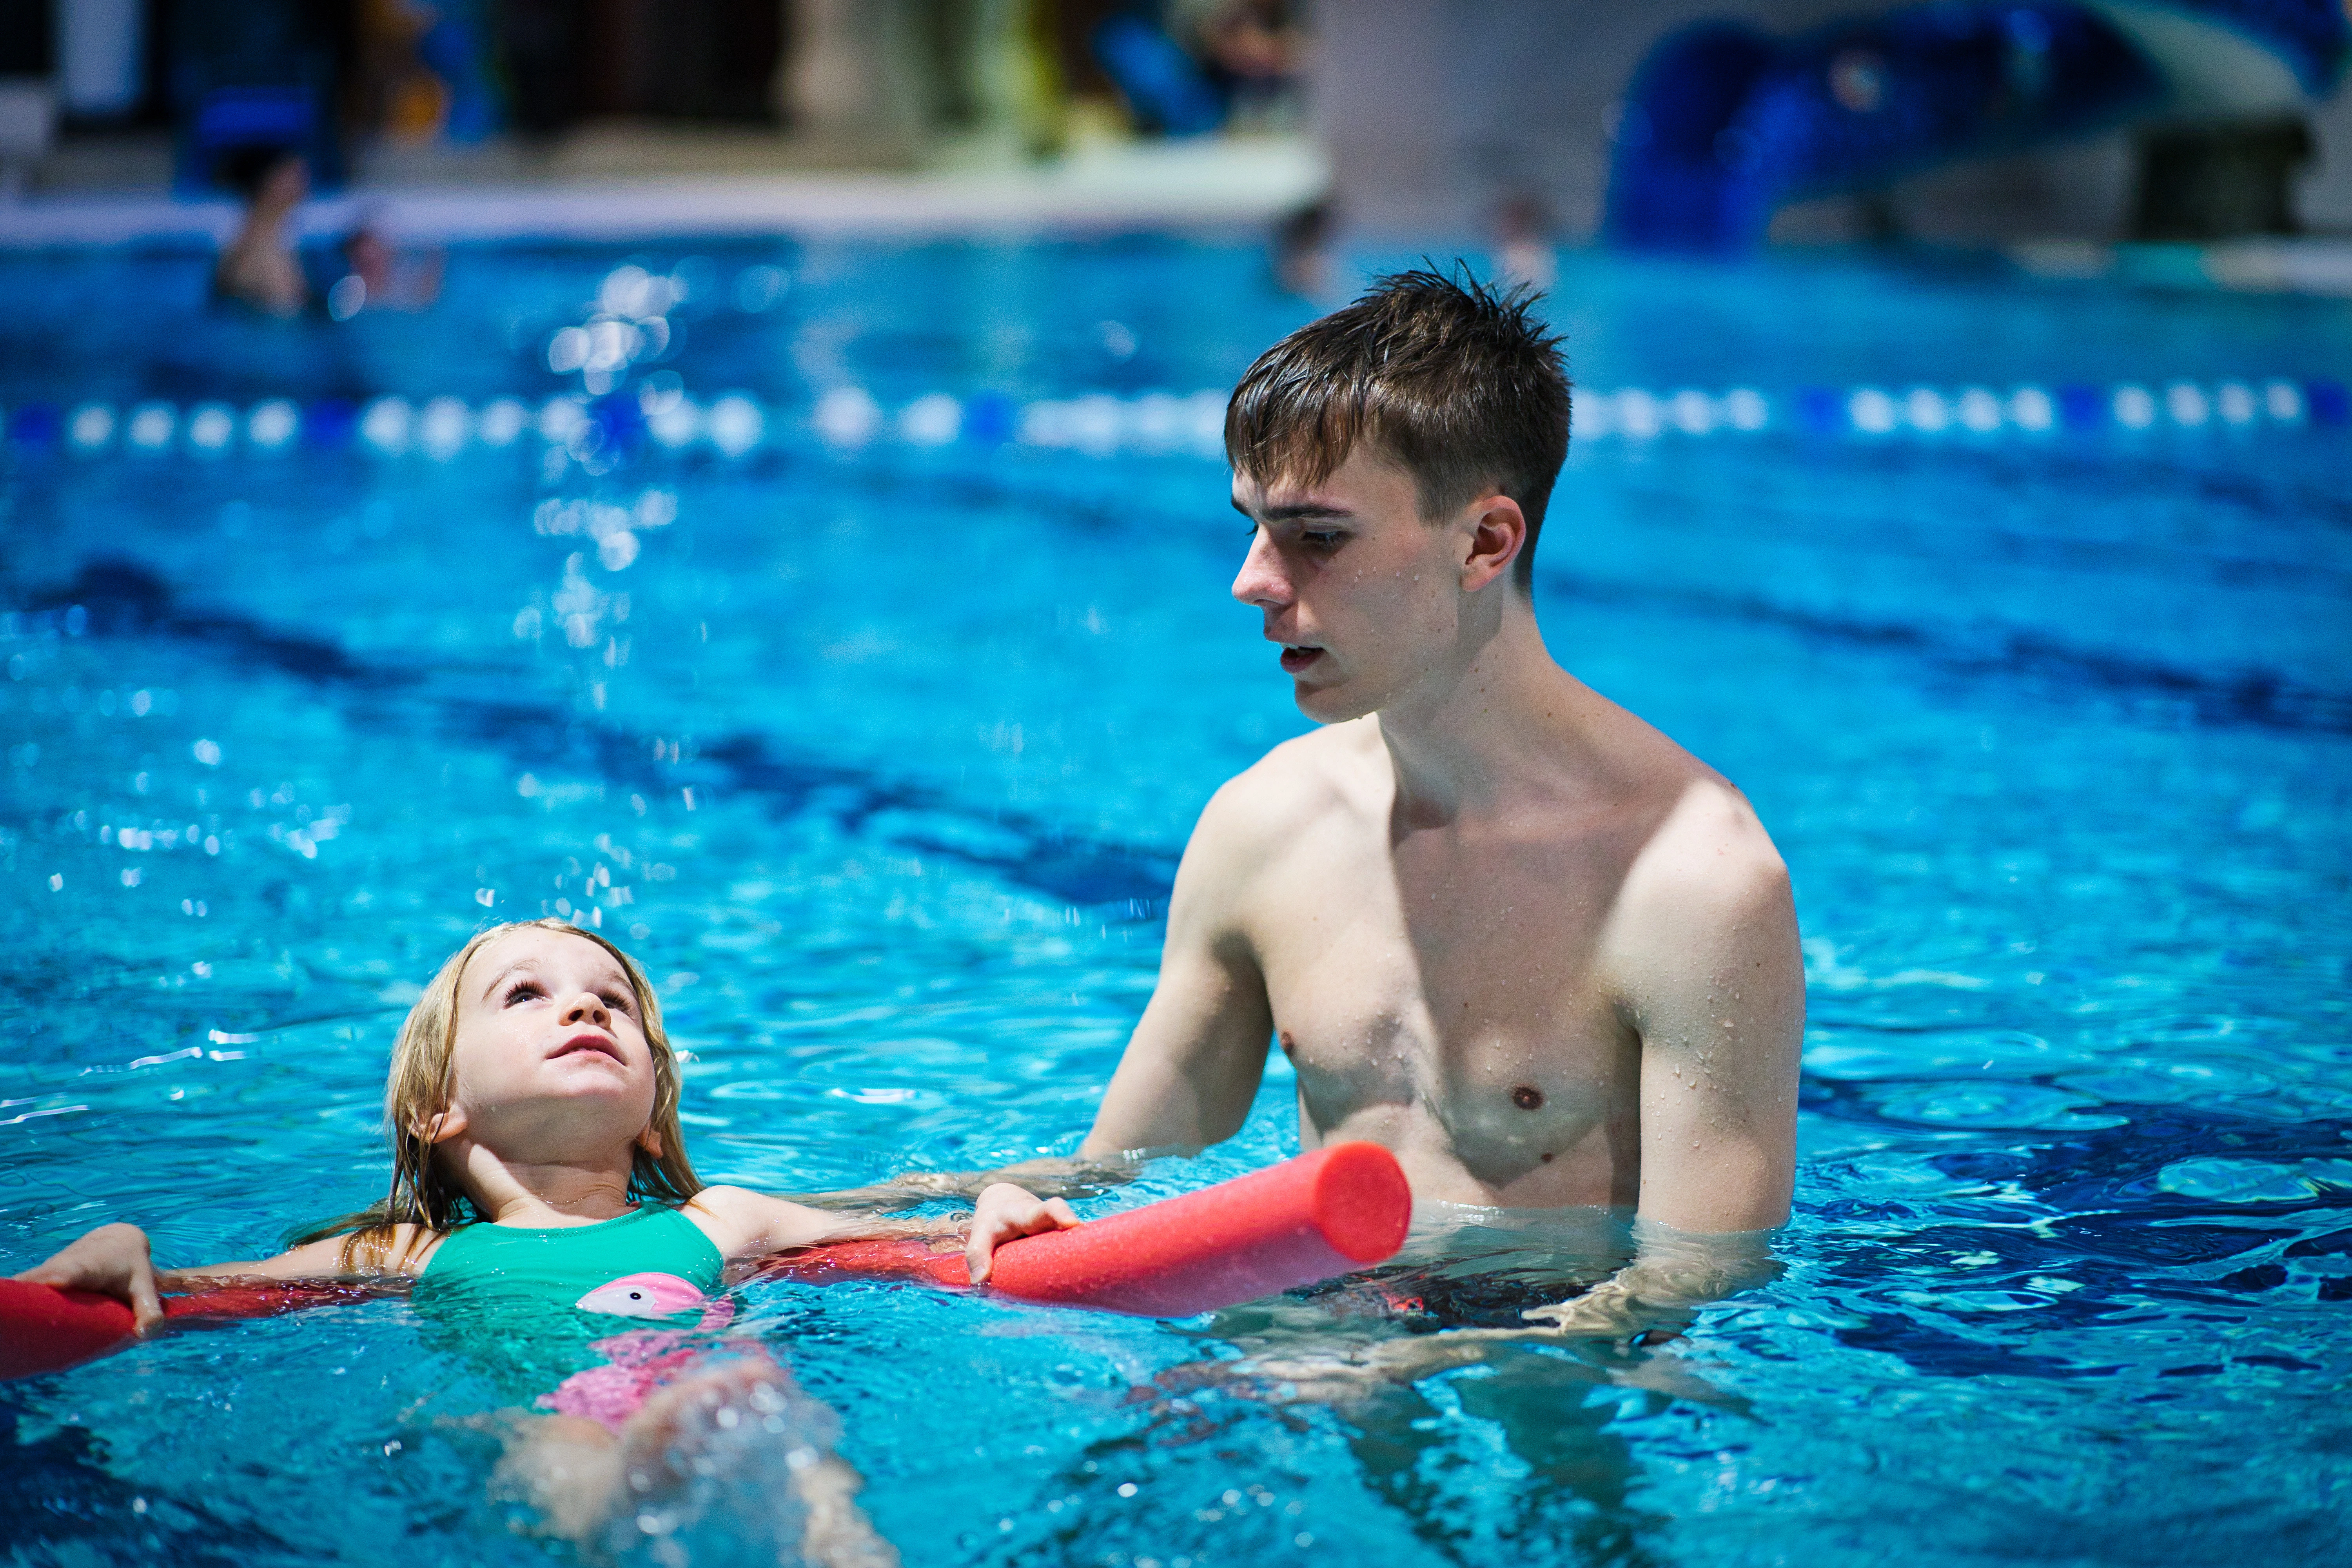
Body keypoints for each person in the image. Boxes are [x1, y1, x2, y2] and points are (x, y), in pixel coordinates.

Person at [844, 269, 1802, 1361]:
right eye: (1254, 527)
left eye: (1317, 537)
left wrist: (1415, 1357)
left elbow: (1701, 1277)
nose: (1252, 581)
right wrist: (802, 1223)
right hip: (1328, 1348)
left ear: (1485, 543)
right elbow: (1120, 1175)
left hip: (1572, 1382)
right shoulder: (1266, 826)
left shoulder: (1693, 882)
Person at [11, 918, 1077, 1563]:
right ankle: (628, 1505)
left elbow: (921, 1252)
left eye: (614, 1004)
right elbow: (204, 1296)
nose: (585, 1012)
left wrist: (992, 1216)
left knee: (778, 1426)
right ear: (437, 1107)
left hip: (717, 1396)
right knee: (558, 1449)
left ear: (653, 1113)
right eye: (527, 995)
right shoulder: (404, 1252)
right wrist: (130, 1262)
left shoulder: (724, 1218)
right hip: (548, 1421)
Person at [210, 145, 312, 317]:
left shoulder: (258, 244)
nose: (305, 184)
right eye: (295, 175)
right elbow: (286, 320)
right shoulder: (261, 256)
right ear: (269, 183)